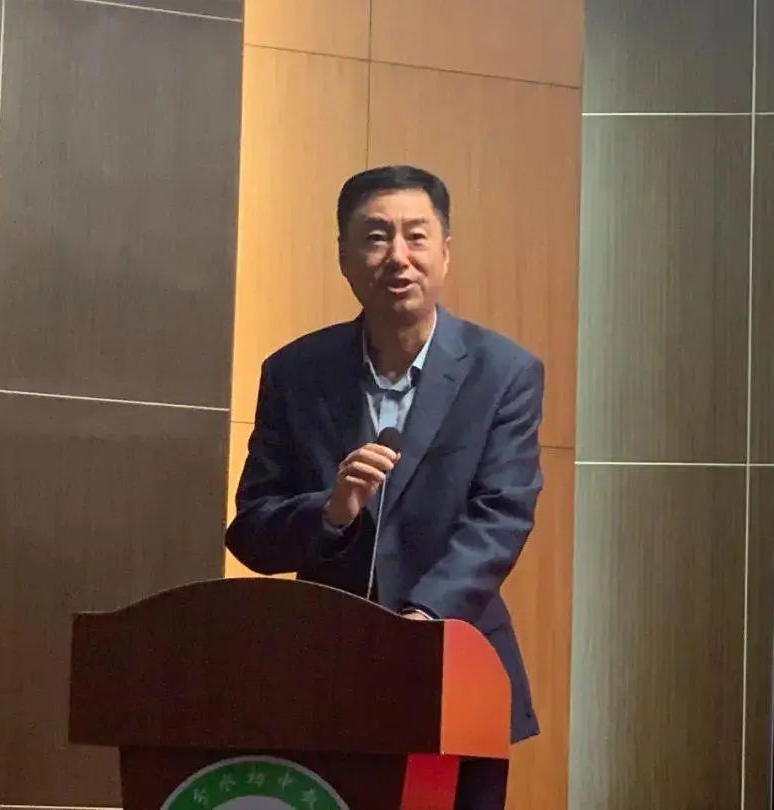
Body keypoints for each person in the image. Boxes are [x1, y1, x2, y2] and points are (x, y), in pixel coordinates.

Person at [226, 165, 543, 809]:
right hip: (326, 682)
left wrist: (418, 624)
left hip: (455, 676)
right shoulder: (295, 373)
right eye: (375, 237)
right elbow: (252, 530)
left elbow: (500, 518)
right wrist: (329, 513)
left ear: (444, 252)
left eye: (416, 236)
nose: (398, 255)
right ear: (344, 257)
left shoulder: (503, 373)